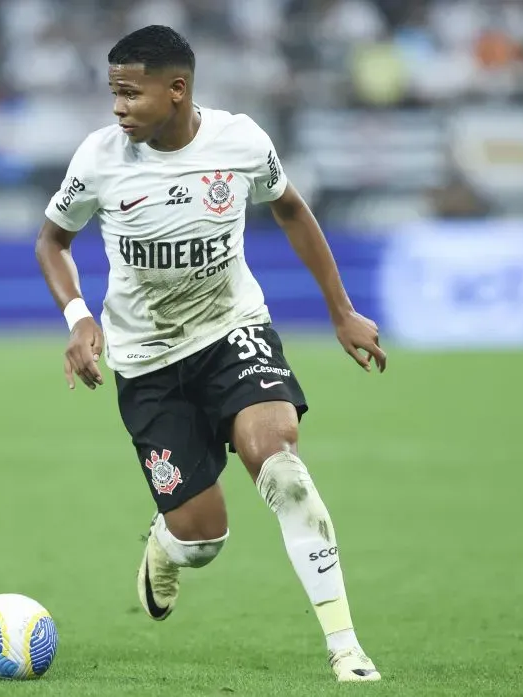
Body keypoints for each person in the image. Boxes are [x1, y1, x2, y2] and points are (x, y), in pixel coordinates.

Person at [35, 25, 386, 683]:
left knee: (281, 467)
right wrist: (79, 319)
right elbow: (51, 242)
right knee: (203, 538)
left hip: (232, 332)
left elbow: (291, 209)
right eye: (113, 94)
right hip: (146, 362)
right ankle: (167, 549)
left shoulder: (241, 142)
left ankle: (345, 645)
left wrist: (342, 310)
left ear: (177, 89)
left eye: (130, 94)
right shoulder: (100, 158)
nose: (118, 108)